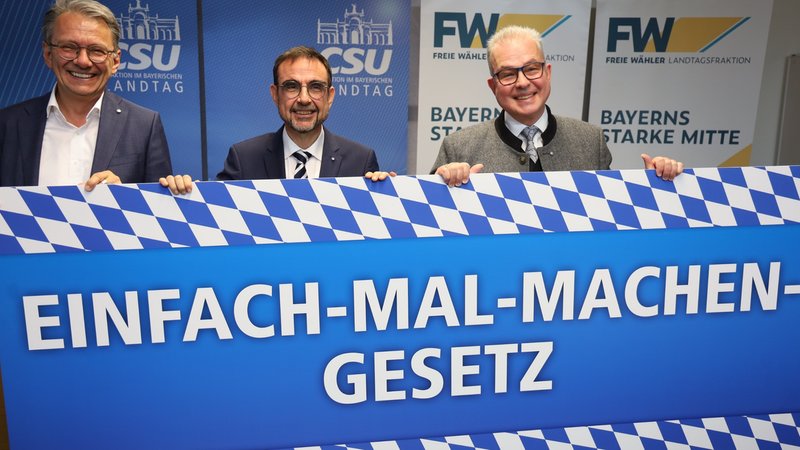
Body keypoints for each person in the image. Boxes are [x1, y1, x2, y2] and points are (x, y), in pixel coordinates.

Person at [432, 25, 683, 187]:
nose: (522, 83)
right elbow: (426, 224)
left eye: (531, 69)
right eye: (508, 74)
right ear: (493, 85)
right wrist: (443, 188)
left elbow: (612, 221)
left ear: (547, 73)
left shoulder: (590, 140)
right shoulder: (458, 148)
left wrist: (656, 185)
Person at [161, 46, 392, 194]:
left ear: (329, 96)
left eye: (315, 87)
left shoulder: (361, 161)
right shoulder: (243, 159)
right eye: (291, 87)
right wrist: (181, 194)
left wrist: (390, 193)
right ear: (275, 94)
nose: (304, 99)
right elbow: (213, 217)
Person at [0, 0, 172, 191]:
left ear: (115, 61)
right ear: (48, 54)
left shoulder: (144, 126)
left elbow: (159, 211)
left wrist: (125, 197)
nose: (83, 61)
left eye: (97, 51)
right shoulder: (7, 124)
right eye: (69, 48)